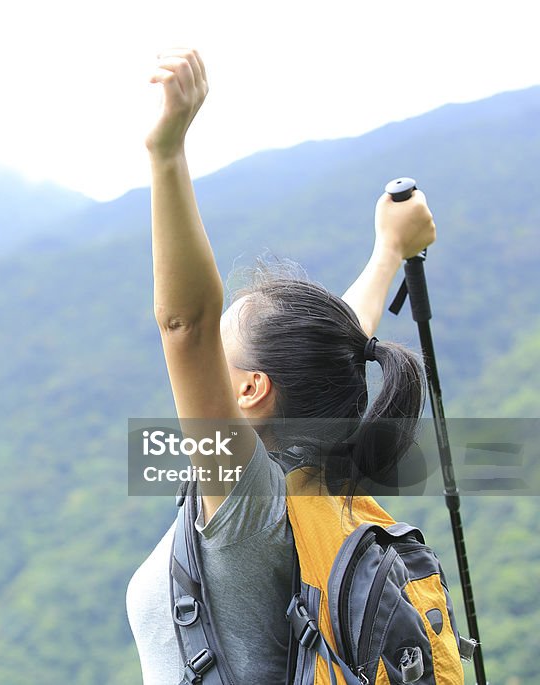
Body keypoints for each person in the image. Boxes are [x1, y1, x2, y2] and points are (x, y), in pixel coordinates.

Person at [125, 48, 438, 684]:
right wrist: (388, 251)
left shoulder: (248, 506)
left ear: (248, 391)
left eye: (225, 342)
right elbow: (339, 346)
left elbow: (184, 327)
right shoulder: (325, 492)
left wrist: (167, 152)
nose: (211, 352)